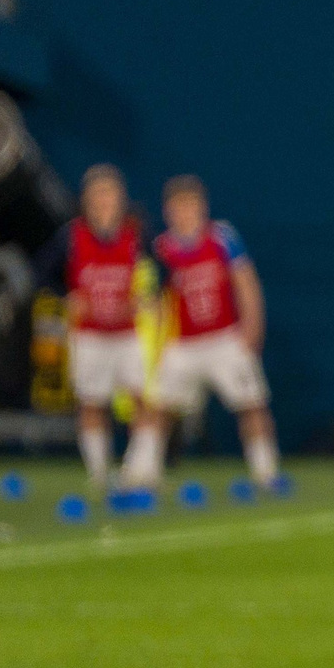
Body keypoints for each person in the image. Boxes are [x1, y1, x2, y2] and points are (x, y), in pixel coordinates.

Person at [120, 177, 280, 495]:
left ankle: (266, 472)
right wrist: (158, 344)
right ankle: (140, 471)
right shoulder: (161, 249)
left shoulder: (222, 237)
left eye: (191, 205)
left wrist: (252, 325)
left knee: (252, 404)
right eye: (178, 206)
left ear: (203, 206)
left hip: (224, 338)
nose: (185, 213)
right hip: (183, 344)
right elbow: (154, 297)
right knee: (157, 406)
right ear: (168, 211)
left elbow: (245, 280)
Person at [33, 166, 153, 493]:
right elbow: (40, 274)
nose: (103, 200)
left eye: (109, 192)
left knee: (141, 400)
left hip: (127, 333)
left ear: (121, 197)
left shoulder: (136, 233)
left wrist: (146, 295)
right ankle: (99, 473)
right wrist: (65, 297)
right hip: (88, 334)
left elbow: (160, 270)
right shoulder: (71, 236)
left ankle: (136, 469)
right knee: (91, 402)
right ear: (85, 199)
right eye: (97, 193)